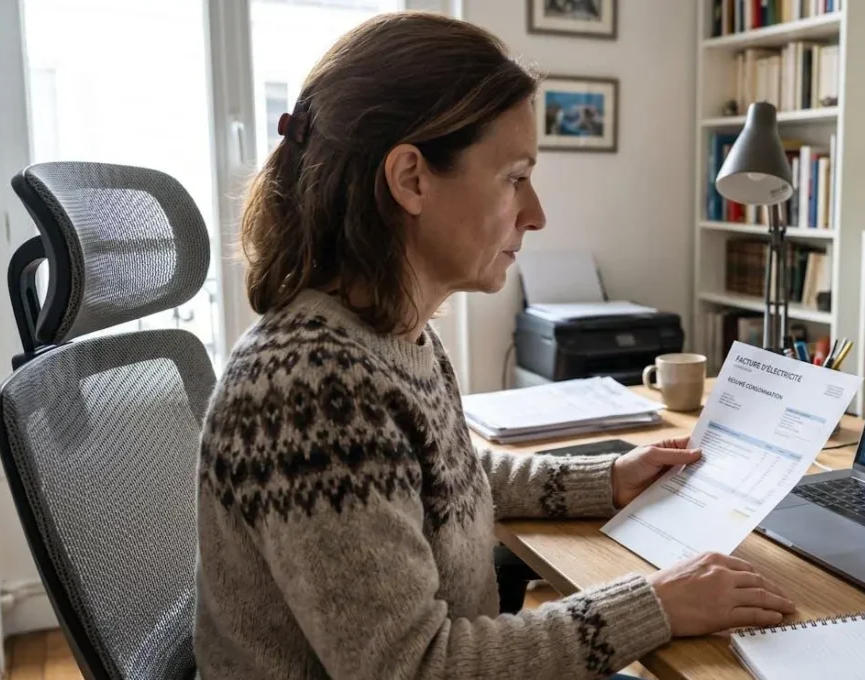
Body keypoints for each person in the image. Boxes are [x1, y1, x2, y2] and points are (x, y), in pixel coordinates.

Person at [193, 11, 795, 680]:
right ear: (411, 179)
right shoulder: (311, 387)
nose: (535, 212)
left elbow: (447, 480)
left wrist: (607, 479)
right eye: (514, 176)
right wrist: (653, 604)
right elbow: (417, 669)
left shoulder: (387, 333)